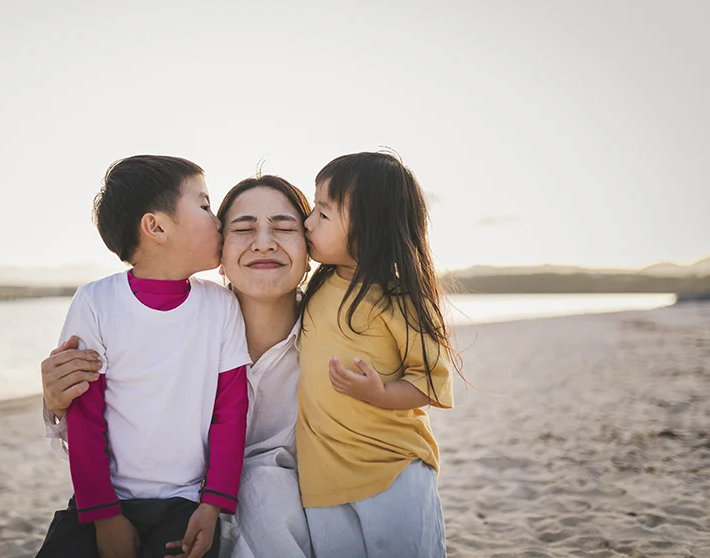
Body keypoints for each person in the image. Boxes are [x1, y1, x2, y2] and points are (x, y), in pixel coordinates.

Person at [42, 175, 314, 558]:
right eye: (212, 211)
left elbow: (229, 414)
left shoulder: (332, 332)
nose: (262, 241)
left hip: (197, 504)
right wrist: (56, 400)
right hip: (127, 500)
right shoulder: (99, 301)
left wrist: (214, 502)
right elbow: (88, 412)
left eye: (285, 227)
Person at [297, 151, 457, 557]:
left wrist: (381, 394)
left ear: (371, 228)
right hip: (322, 477)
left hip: (392, 469)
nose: (307, 222)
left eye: (323, 213)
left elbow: (429, 383)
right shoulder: (315, 287)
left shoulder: (398, 296)